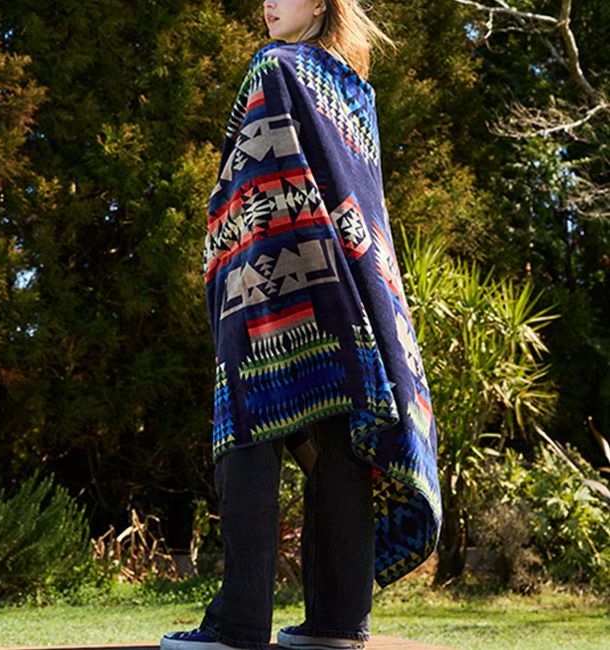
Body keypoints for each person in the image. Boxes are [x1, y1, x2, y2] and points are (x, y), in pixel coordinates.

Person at [160, 2, 442, 650]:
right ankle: (338, 622)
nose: (268, 3)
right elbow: (363, 199)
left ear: (320, 2)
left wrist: (229, 255)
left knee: (250, 420)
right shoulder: (356, 94)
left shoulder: (275, 67)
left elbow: (248, 183)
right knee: (342, 437)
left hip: (275, 276)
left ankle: (239, 625)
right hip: (353, 284)